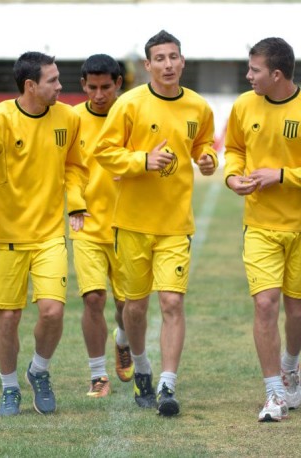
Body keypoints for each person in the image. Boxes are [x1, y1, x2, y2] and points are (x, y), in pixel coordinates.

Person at [93, 30, 218, 416]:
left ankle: (166, 384)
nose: (167, 64)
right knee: (134, 308)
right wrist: (143, 161)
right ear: (148, 65)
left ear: (183, 61)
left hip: (175, 224)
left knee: (172, 302)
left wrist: (208, 158)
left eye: (173, 57)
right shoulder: (129, 104)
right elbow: (105, 152)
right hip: (131, 224)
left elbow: (203, 146)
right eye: (159, 58)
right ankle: (142, 367)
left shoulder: (199, 107)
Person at [0, 51, 88, 417]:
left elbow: (75, 167)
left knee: (52, 312)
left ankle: (39, 371)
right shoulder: (2, 115)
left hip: (50, 233)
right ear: (31, 85)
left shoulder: (68, 118)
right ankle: (8, 388)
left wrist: (77, 203)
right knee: (8, 319)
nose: (60, 86)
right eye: (53, 80)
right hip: (6, 236)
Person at [224, 37, 301, 422]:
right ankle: (274, 393)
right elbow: (234, 149)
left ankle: (290, 365)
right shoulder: (243, 105)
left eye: (254, 70)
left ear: (276, 74)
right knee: (265, 304)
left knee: (297, 311)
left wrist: (283, 175)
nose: (247, 75)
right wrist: (232, 177)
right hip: (260, 226)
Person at [70, 54, 134, 398]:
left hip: (127, 225)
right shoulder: (72, 120)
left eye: (105, 87)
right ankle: (98, 375)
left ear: (118, 84)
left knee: (127, 305)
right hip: (86, 225)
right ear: (82, 85)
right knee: (93, 298)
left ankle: (122, 340)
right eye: (91, 87)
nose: (98, 94)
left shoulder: (133, 115)